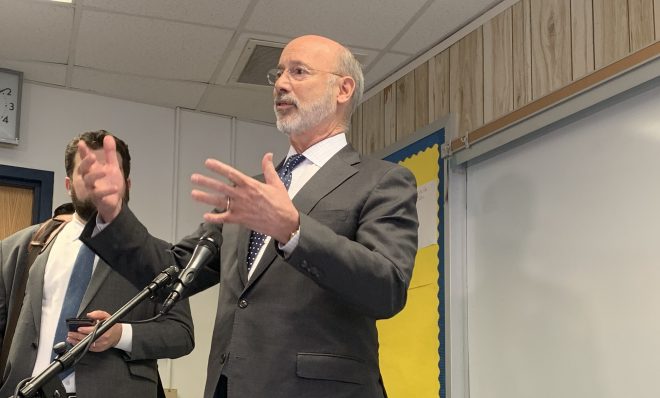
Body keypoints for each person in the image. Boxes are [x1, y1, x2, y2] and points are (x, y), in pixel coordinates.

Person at [78, 35, 419, 398]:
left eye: (299, 71)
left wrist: (295, 231)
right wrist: (114, 214)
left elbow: (387, 288)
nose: (282, 84)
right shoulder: (250, 193)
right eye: (279, 74)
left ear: (343, 89)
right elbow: (172, 271)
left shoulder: (382, 181)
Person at [0, 130, 195, 397]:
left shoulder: (158, 255)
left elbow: (181, 334)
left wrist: (120, 335)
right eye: (88, 173)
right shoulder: (23, 248)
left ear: (128, 184)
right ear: (69, 184)